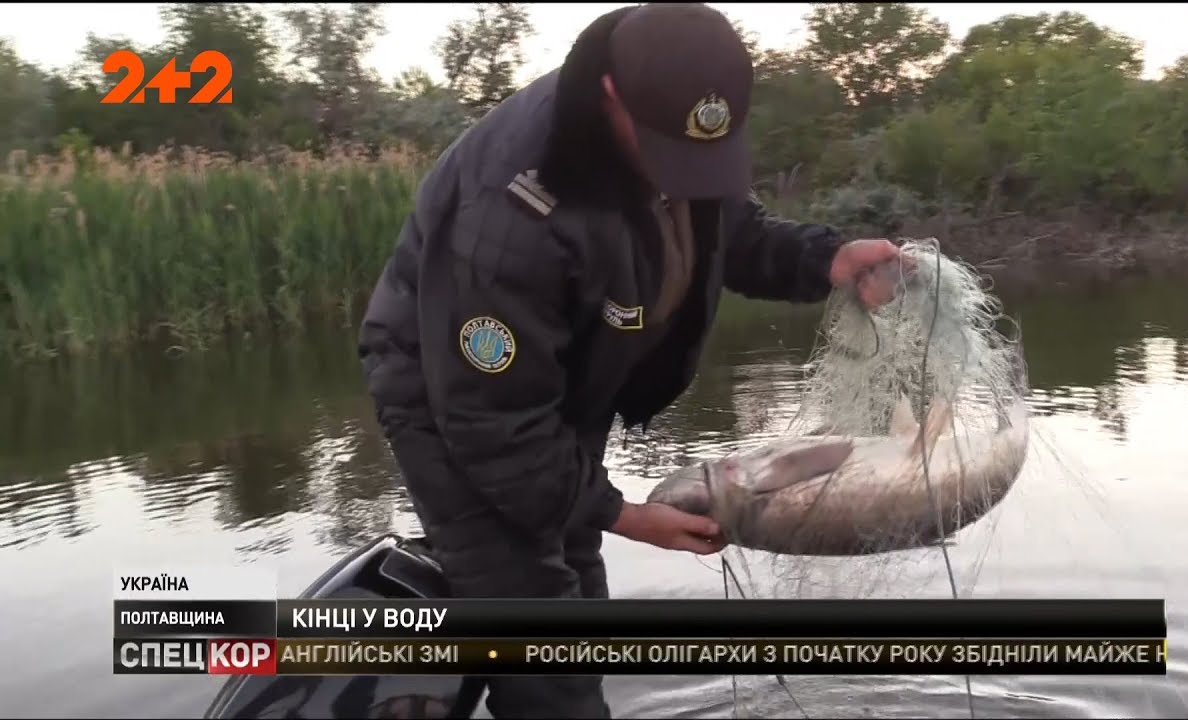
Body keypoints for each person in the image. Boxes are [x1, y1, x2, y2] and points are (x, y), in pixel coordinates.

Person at [357, 3, 904, 717]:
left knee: (578, 583)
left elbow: (727, 230)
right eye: (671, 156)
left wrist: (823, 257)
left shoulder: (667, 126)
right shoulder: (512, 209)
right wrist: (628, 514)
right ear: (613, 94)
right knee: (538, 626)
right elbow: (491, 423)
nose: (683, 176)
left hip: (556, 381)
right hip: (450, 394)